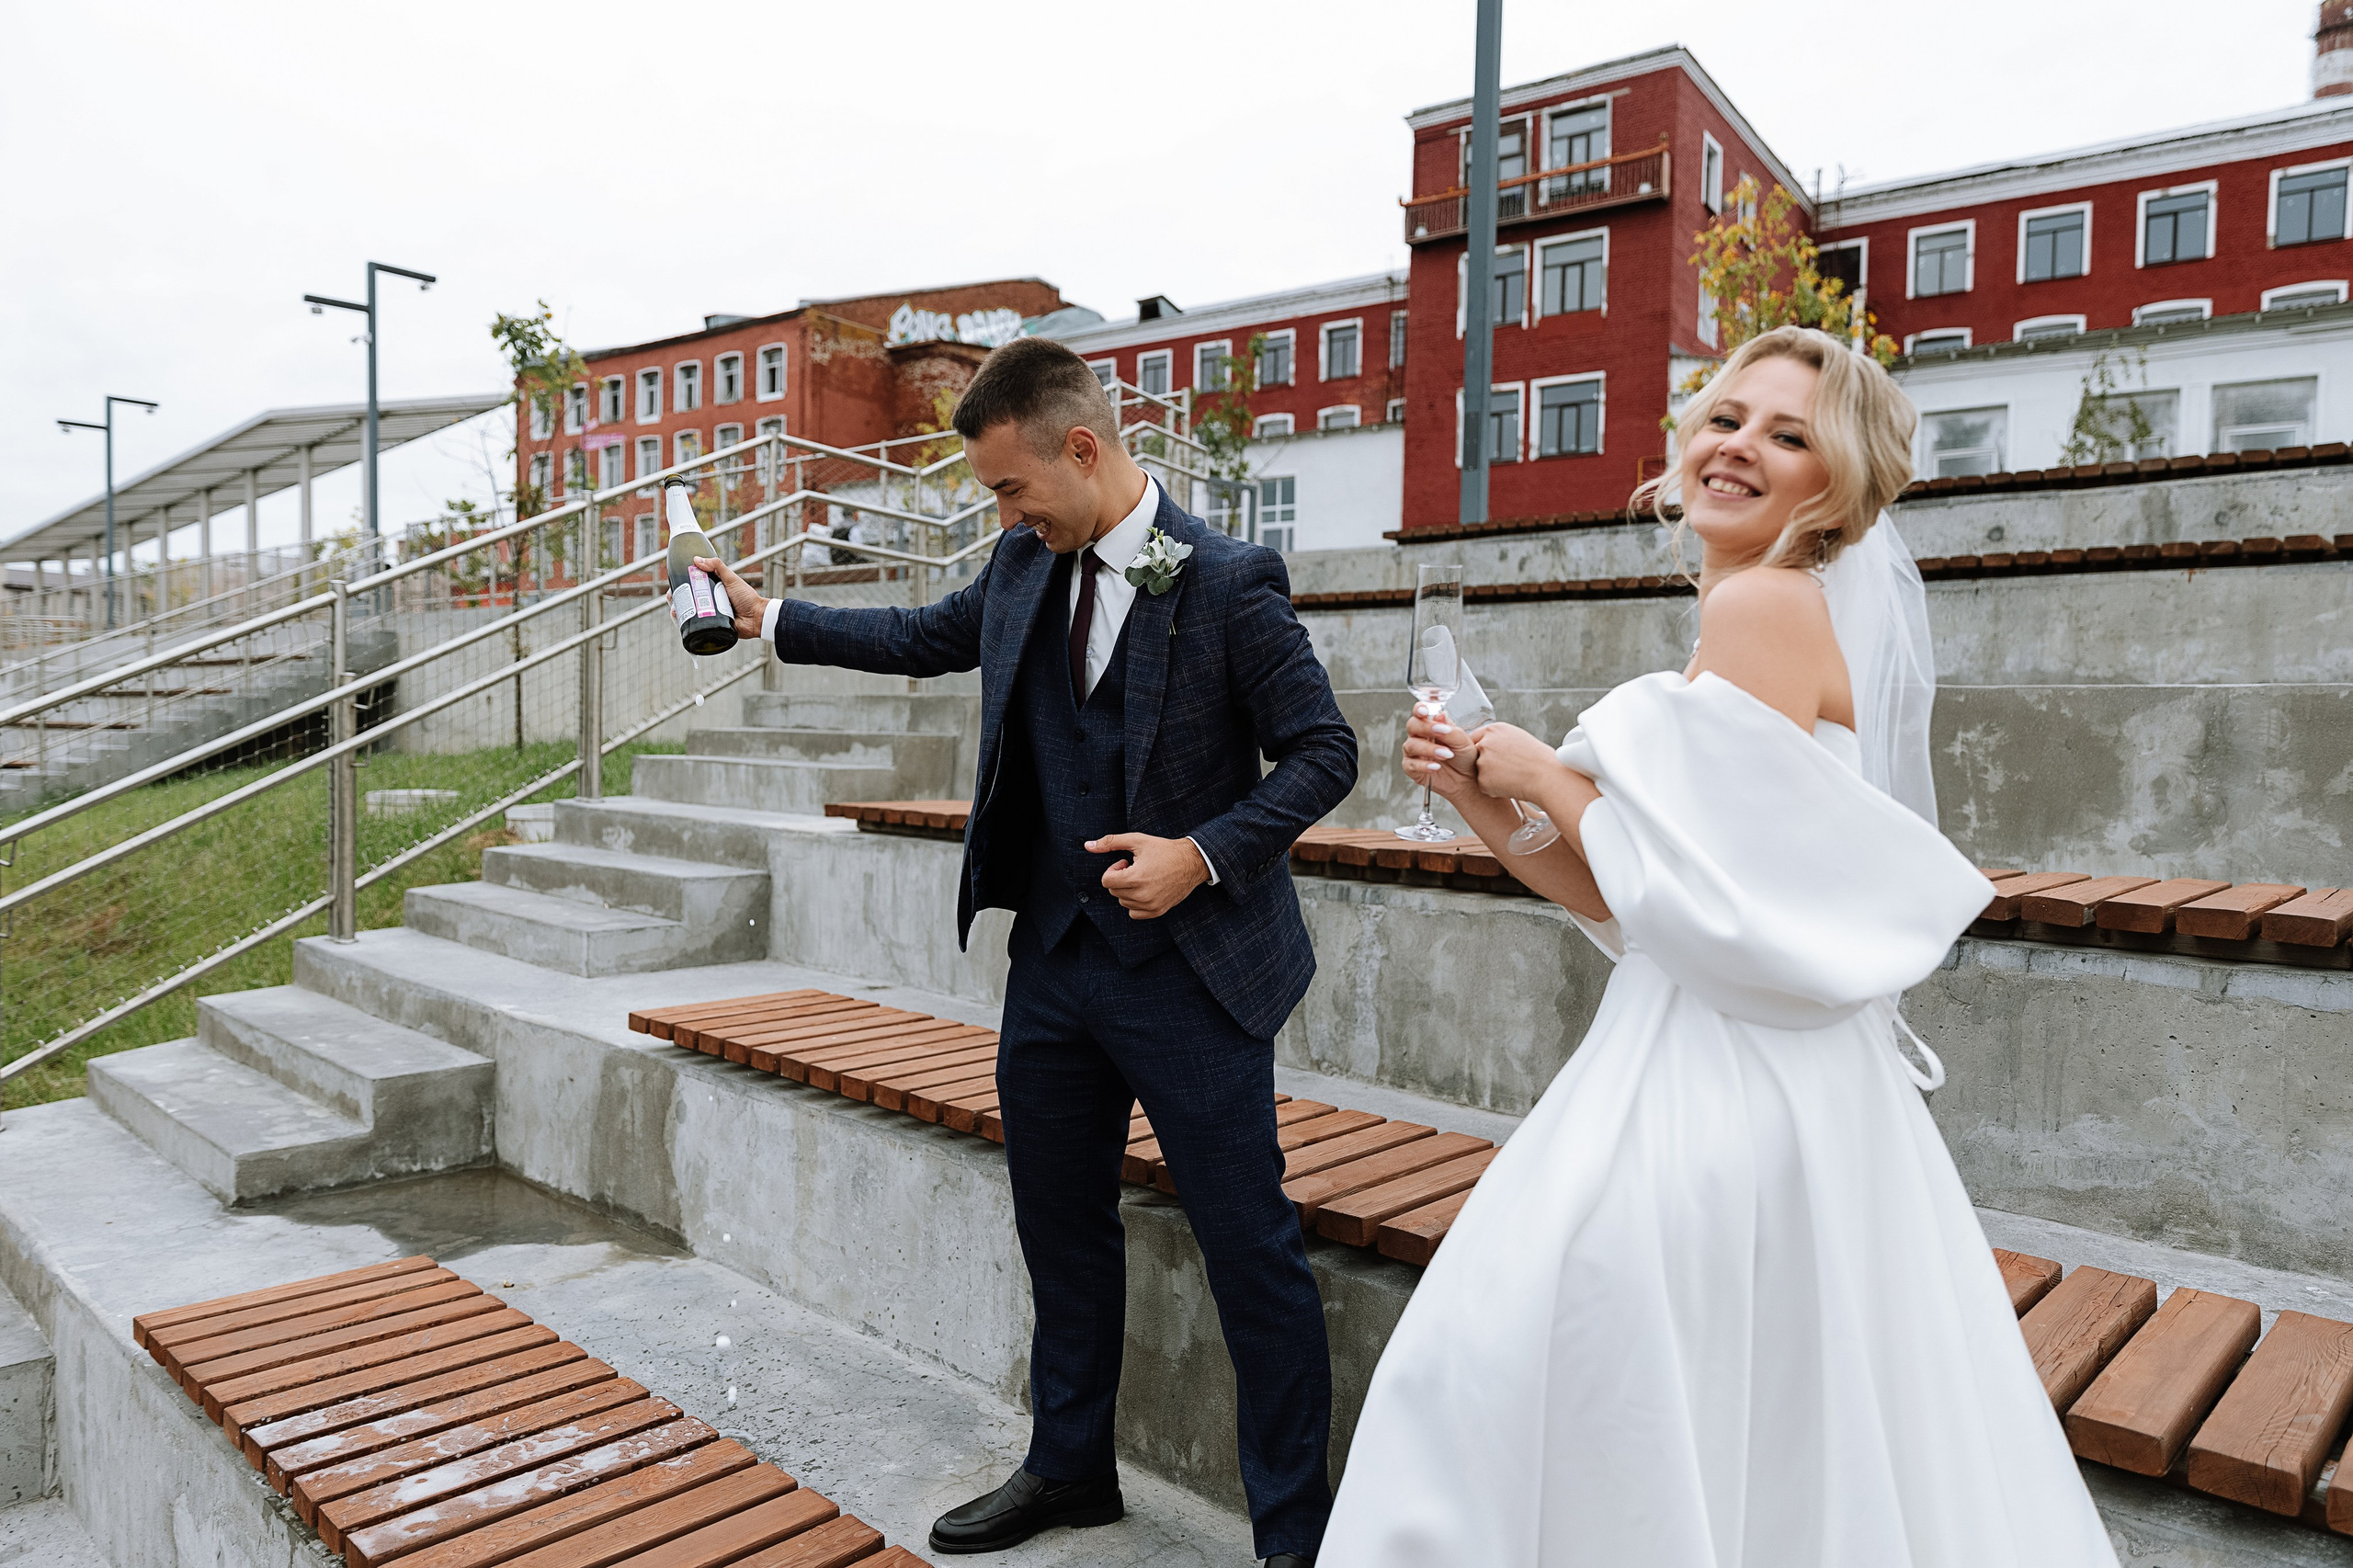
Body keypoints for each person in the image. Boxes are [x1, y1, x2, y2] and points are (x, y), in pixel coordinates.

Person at [1321, 326, 2119, 1566]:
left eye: (1788, 435)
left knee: (1517, 1354)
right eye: (1727, 417)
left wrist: (1540, 770)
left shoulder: (1762, 604)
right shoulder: (1752, 612)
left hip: (1726, 1084)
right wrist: (1488, 800)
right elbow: (1643, 905)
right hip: (1741, 1057)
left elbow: (1715, 904)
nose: (1740, 445)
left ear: (1834, 488)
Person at [694, 335, 1356, 1568]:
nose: (1004, 514)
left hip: (1194, 974)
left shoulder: (1228, 579)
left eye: (1012, 487)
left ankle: (1292, 1533)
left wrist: (1200, 854)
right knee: (1059, 1225)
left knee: (1249, 1249)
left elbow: (1325, 752)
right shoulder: (1019, 562)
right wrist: (767, 617)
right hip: (1053, 962)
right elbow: (922, 635)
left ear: (1082, 448)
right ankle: (1070, 1465)